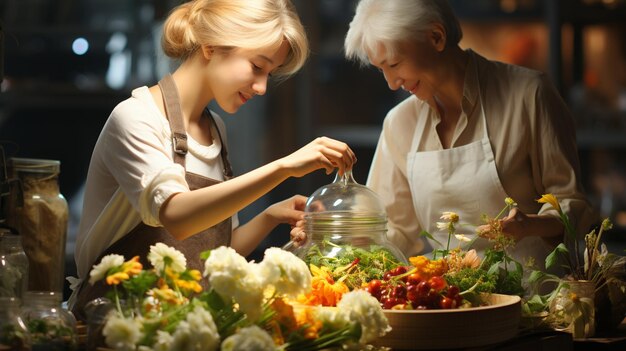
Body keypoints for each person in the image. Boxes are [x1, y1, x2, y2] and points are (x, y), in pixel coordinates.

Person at [68, 0, 356, 319]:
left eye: (269, 74)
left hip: (181, 325)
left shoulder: (215, 129)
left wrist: (271, 216)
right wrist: (283, 167)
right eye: (257, 67)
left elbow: (217, 256)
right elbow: (176, 216)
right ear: (211, 47)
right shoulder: (136, 118)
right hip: (115, 325)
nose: (261, 87)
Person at [343, 0, 596, 265]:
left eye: (394, 64)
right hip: (449, 296)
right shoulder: (399, 123)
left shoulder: (529, 94)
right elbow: (391, 231)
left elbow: (572, 203)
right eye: (380, 69)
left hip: (532, 295)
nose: (391, 82)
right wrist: (341, 233)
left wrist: (531, 225)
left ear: (436, 37)